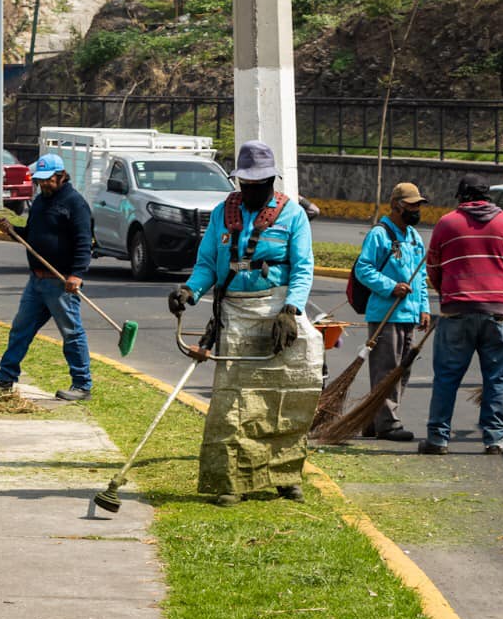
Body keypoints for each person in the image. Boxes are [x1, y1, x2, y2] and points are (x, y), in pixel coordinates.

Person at [167, 140, 319, 505]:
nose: (251, 190)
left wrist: (291, 311)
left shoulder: (292, 215)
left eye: (259, 183)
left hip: (278, 311)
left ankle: (284, 474)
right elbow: (207, 262)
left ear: (271, 180)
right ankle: (231, 481)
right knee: (234, 401)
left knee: (288, 393)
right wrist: (191, 291)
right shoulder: (223, 212)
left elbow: (302, 267)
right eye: (245, 183)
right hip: (235, 311)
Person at [422, 172, 503, 455]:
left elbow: (433, 267)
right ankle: (495, 439)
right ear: (488, 196)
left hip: (456, 310)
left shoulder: (447, 223)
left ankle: (438, 439)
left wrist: (446, 291)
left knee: (447, 378)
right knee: (496, 379)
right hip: (499, 312)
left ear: (461, 197)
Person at [0, 154, 94, 401]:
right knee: (20, 329)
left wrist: (76, 275)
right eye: (39, 181)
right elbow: (31, 236)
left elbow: (84, 242)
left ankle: (82, 385)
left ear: (61, 176)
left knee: (72, 333)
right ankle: (5, 379)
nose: (43, 185)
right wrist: (12, 231)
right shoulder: (39, 202)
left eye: (48, 180)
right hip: (36, 281)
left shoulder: (75, 203)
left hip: (60, 283)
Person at [352, 182, 431, 440]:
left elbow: (420, 277)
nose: (416, 209)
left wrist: (424, 307)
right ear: (396, 205)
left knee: (402, 370)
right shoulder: (379, 234)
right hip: (385, 314)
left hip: (408, 314)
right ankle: (388, 424)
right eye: (411, 205)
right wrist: (390, 287)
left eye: (418, 205)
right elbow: (363, 269)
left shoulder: (413, 236)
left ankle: (377, 419)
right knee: (386, 370)